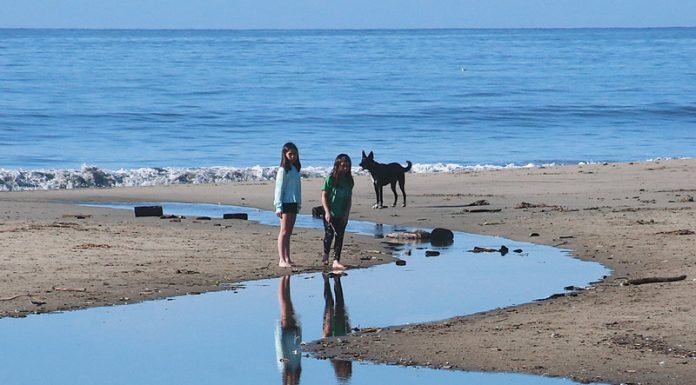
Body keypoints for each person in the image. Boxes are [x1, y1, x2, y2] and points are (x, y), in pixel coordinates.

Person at [321, 154, 354, 270]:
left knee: (339, 237)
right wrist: (327, 212)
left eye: (347, 166)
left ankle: (336, 260)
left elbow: (349, 199)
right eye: (343, 166)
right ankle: (325, 254)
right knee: (329, 235)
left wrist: (346, 215)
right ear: (337, 166)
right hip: (330, 213)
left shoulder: (349, 181)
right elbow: (324, 195)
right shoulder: (330, 179)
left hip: (342, 213)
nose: (345, 168)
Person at [274, 142, 302, 268]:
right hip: (284, 203)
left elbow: (297, 188)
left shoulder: (295, 169)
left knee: (289, 232)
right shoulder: (282, 170)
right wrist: (278, 206)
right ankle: (281, 259)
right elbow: (279, 189)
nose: (293, 156)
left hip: (293, 203)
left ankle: (287, 258)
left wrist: (299, 203)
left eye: (295, 154)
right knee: (283, 232)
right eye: (290, 154)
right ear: (285, 154)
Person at [322, 273, 352, 382]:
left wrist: (326, 325)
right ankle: (334, 280)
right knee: (337, 302)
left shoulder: (332, 358)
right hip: (337, 328)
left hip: (335, 329)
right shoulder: (341, 357)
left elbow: (325, 338)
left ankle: (328, 281)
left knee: (331, 303)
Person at [275, 275, 302, 385]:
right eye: (294, 382)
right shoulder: (296, 367)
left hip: (285, 332)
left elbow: (280, 349)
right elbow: (298, 350)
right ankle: (285, 279)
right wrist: (299, 331)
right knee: (288, 304)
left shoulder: (283, 367)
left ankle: (284, 279)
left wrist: (280, 330)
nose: (293, 380)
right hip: (291, 331)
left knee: (285, 305)